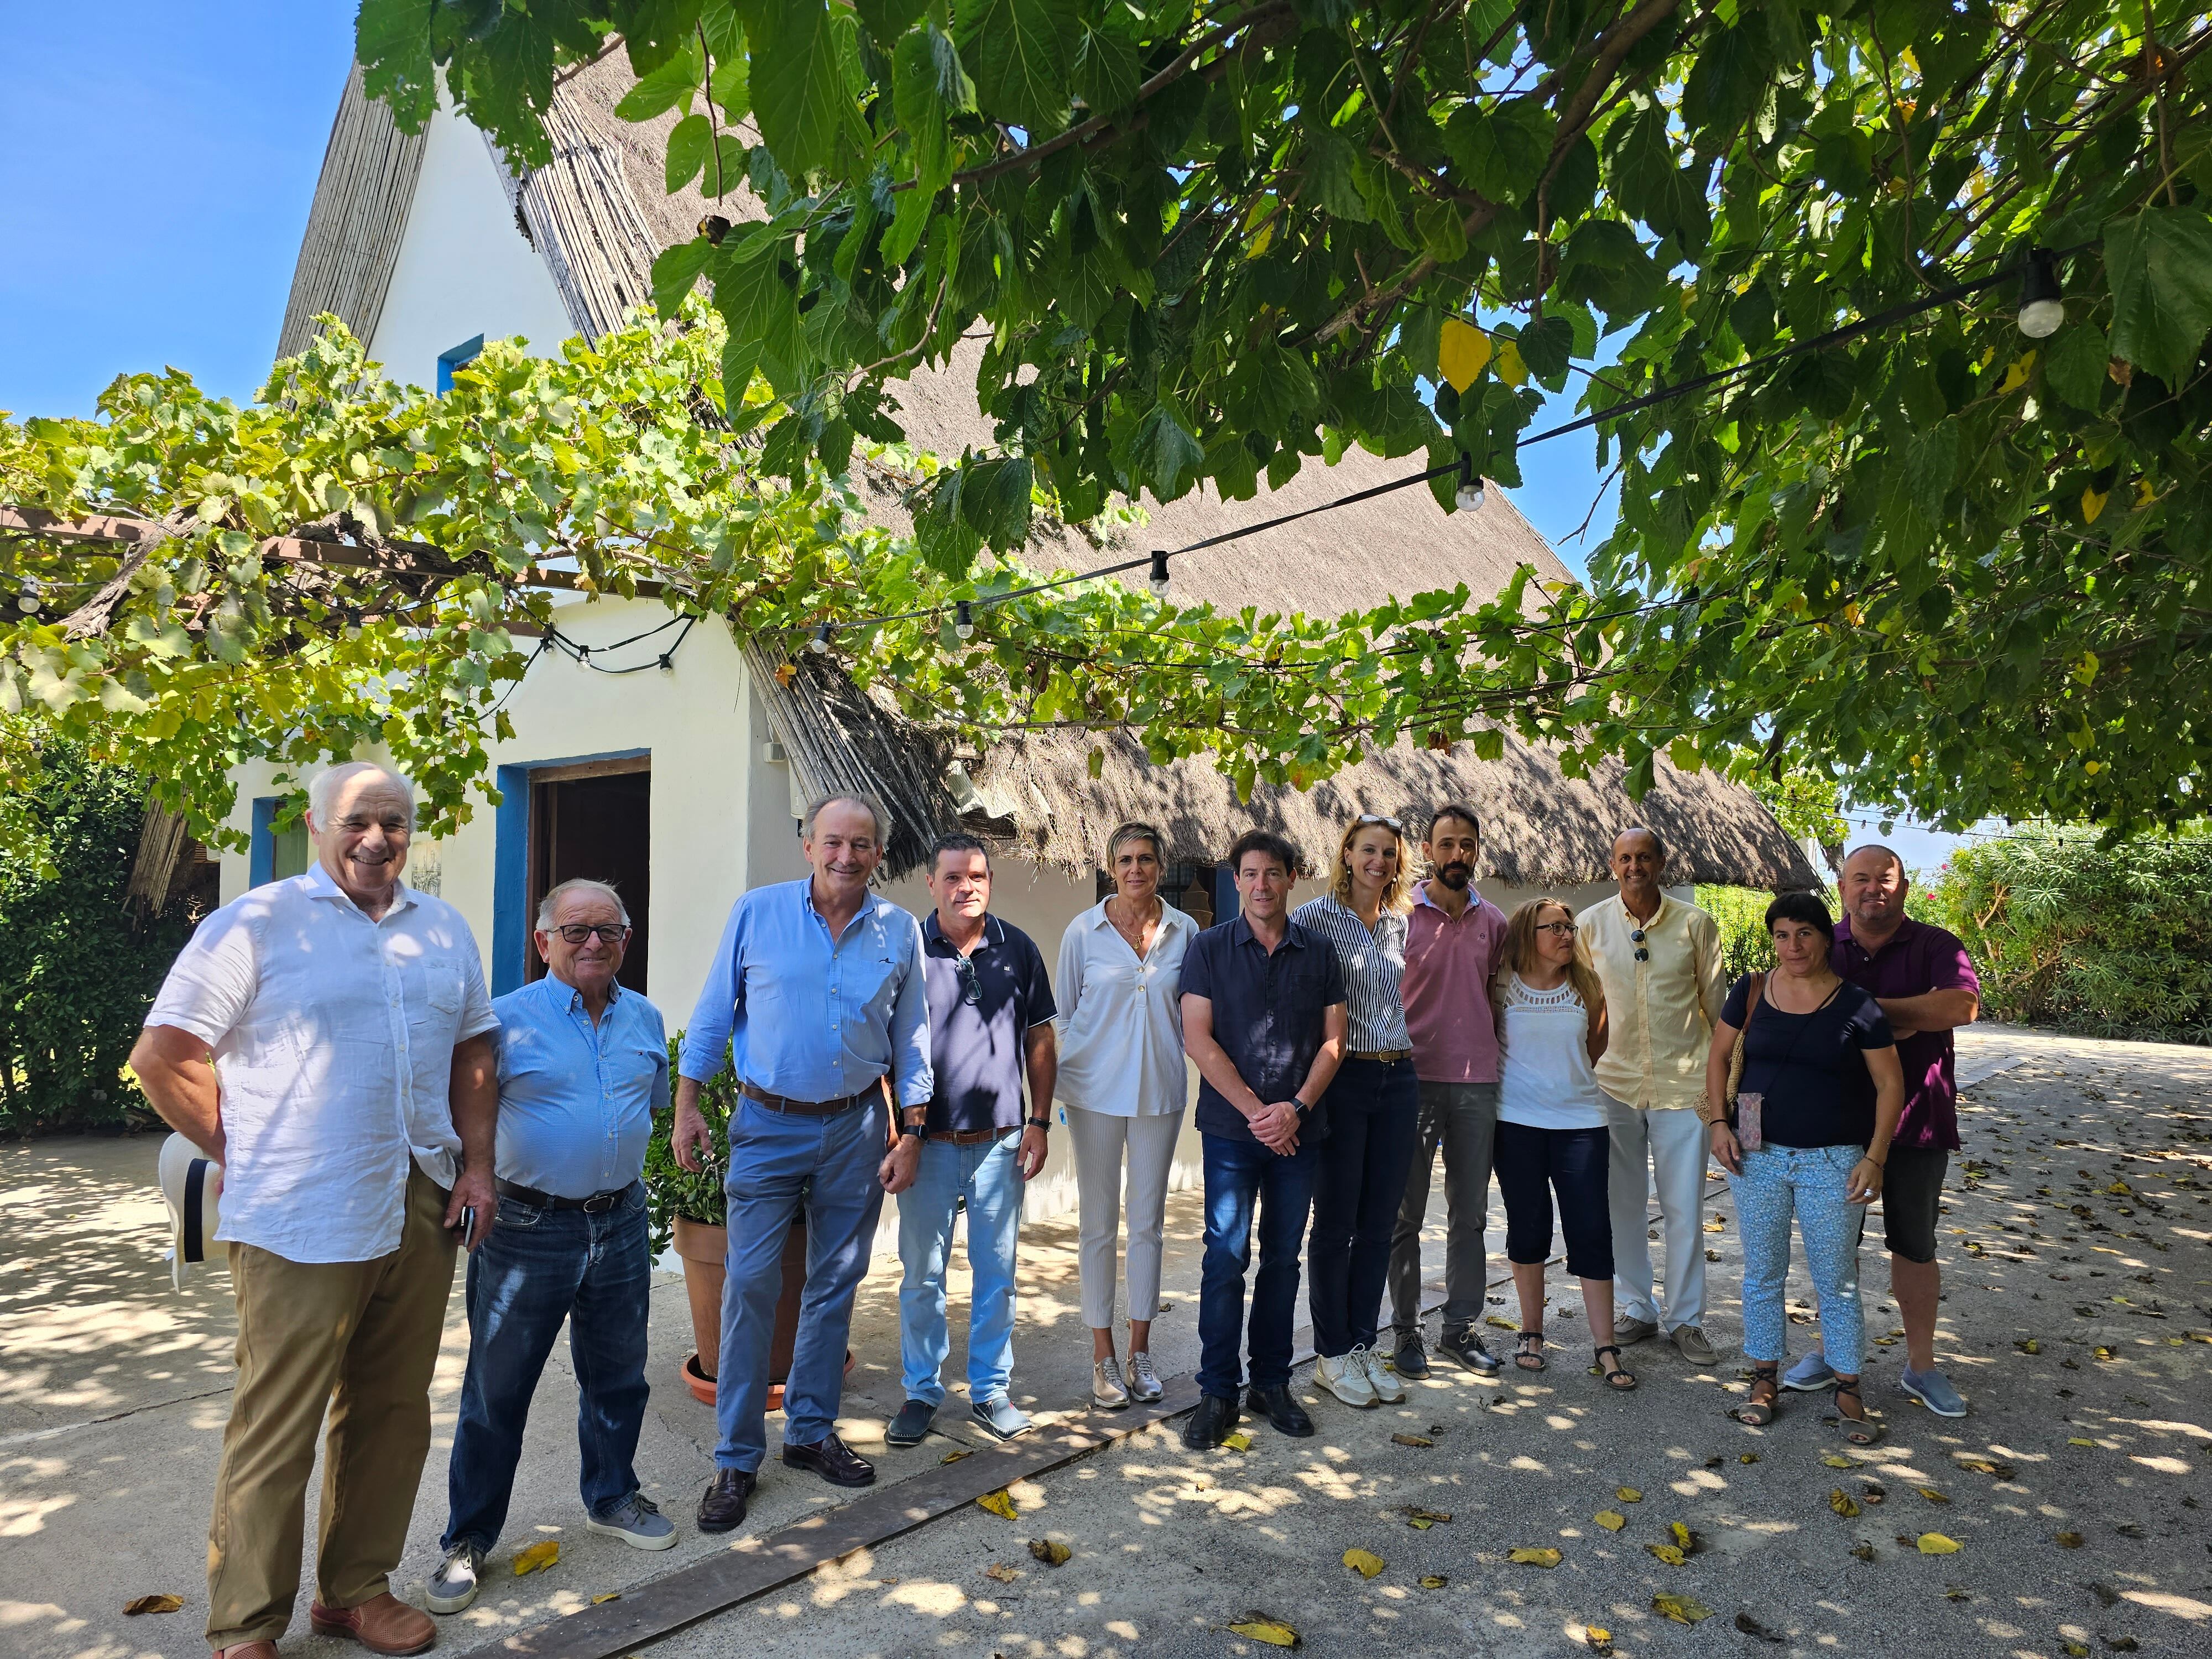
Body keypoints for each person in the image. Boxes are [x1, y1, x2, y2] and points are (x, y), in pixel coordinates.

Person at [131, 761, 498, 1659]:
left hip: (420, 1198)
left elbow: (476, 1046)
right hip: (302, 1212)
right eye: (357, 821)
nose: (377, 838)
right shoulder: (254, 925)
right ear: (315, 822)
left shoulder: (443, 930)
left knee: (392, 1410)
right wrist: (243, 1151)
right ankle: (247, 1625)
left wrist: (478, 1167)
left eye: (394, 822)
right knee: (277, 1422)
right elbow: (165, 1055)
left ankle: (354, 1592)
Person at [674, 794, 931, 1531]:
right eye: (833, 843)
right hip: (766, 1124)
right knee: (751, 1283)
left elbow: (912, 1042)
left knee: (834, 1284)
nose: (846, 857)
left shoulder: (899, 931)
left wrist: (910, 1131)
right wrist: (689, 1104)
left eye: (862, 845)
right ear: (808, 846)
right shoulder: (756, 913)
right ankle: (736, 1457)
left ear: (879, 855)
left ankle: (811, 1433)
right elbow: (715, 1012)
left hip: (856, 1128)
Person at [427, 879, 673, 1618]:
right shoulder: (501, 1022)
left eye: (608, 930)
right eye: (575, 931)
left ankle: (610, 1496)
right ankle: (467, 1539)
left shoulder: (647, 1019)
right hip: (528, 1230)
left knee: (619, 1377)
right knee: (497, 1392)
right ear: (543, 943)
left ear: (626, 940)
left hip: (622, 1222)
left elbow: (647, 1110)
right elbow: (460, 1122)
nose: (593, 942)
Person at [1782, 846, 1981, 1416]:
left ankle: (1921, 1367)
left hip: (1917, 1121)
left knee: (1914, 1246)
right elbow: (1778, 1022)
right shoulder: (1820, 944)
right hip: (1833, 1128)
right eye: (1861, 879)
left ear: (1904, 887)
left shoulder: (1936, 945)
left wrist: (1862, 1011)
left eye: (1885, 879)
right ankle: (1827, 1352)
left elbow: (1961, 1006)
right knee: (1832, 1247)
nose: (1874, 888)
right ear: (1841, 888)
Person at [1704, 891, 1905, 1444]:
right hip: (1754, 1143)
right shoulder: (1750, 991)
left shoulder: (1857, 1004)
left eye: (1804, 934)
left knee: (1835, 1281)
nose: (1792, 946)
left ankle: (1847, 1388)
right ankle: (1763, 1379)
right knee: (1761, 1273)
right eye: (1781, 935)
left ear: (1825, 938)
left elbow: (1890, 1084)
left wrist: (1875, 1156)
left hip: (1833, 1155)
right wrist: (1719, 1125)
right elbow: (1719, 1057)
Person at [1178, 830, 1349, 1449]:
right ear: (1236, 880)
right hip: (1231, 1132)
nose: (1260, 885)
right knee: (1224, 1258)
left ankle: (1271, 1383)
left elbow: (1335, 1042)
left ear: (1291, 878)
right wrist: (1260, 1114)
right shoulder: (1208, 948)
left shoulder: (1321, 951)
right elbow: (1198, 1039)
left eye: (1272, 874)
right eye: (1248, 874)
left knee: (1282, 1258)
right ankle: (1217, 1390)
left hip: (1301, 1133)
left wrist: (1295, 1111)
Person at [886, 836, 1057, 1449]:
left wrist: (1038, 1121)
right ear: (930, 883)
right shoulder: (908, 951)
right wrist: (898, 1132)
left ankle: (989, 1391)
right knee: (922, 1278)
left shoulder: (1019, 949)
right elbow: (886, 1049)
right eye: (954, 876)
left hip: (1000, 1143)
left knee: (998, 1274)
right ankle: (921, 1391)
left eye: (978, 875)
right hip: (926, 1144)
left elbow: (1039, 1039)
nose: (967, 886)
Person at [1056, 821, 1198, 1410]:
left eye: (1145, 859)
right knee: (1096, 1227)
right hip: (1091, 1096)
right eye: (1125, 860)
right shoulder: (1082, 933)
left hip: (1159, 1092)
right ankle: (1102, 1359)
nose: (1135, 869)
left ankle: (1140, 1354)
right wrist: (1077, 1069)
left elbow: (1196, 1011)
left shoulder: (1185, 931)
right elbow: (1060, 1015)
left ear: (1161, 868)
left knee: (1147, 1225)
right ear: (1109, 867)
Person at [1576, 828, 1726, 1366]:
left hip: (1683, 1086)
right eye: (1624, 858)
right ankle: (1638, 1308)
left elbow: (1719, 1010)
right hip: (1613, 1083)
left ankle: (1685, 1319)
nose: (1634, 866)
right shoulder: (1589, 926)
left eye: (1643, 857)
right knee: (1621, 1205)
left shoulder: (1696, 925)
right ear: (1612, 865)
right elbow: (1578, 1005)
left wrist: (1723, 1094)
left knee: (1684, 1206)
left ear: (1662, 863)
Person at [1294, 815, 1421, 1409]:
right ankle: (1332, 1353)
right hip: (1344, 1080)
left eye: (1388, 853)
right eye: (1367, 850)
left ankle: (1366, 1345)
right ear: (1346, 854)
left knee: (1380, 1224)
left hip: (1399, 1077)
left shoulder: (1398, 924)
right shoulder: (1313, 921)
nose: (1378, 861)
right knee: (1337, 1222)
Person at [1490, 899, 1636, 1389]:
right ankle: (1532, 1333)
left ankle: (1605, 1346)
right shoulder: (1501, 988)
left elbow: (1596, 1047)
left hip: (1581, 1124)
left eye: (1569, 927)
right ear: (1527, 934)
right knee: (1528, 1228)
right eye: (1553, 927)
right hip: (1515, 1124)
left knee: (1592, 1231)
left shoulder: (1587, 986)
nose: (1566, 934)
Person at [1389, 804, 1511, 1380]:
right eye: (1446, 844)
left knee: (1470, 1215)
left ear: (1477, 850)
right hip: (1411, 1081)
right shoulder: (1399, 916)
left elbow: (1497, 996)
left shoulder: (1495, 923)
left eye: (1466, 844)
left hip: (1476, 1084)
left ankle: (1458, 1330)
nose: (1456, 854)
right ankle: (1406, 1332)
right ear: (1427, 849)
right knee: (1404, 1215)